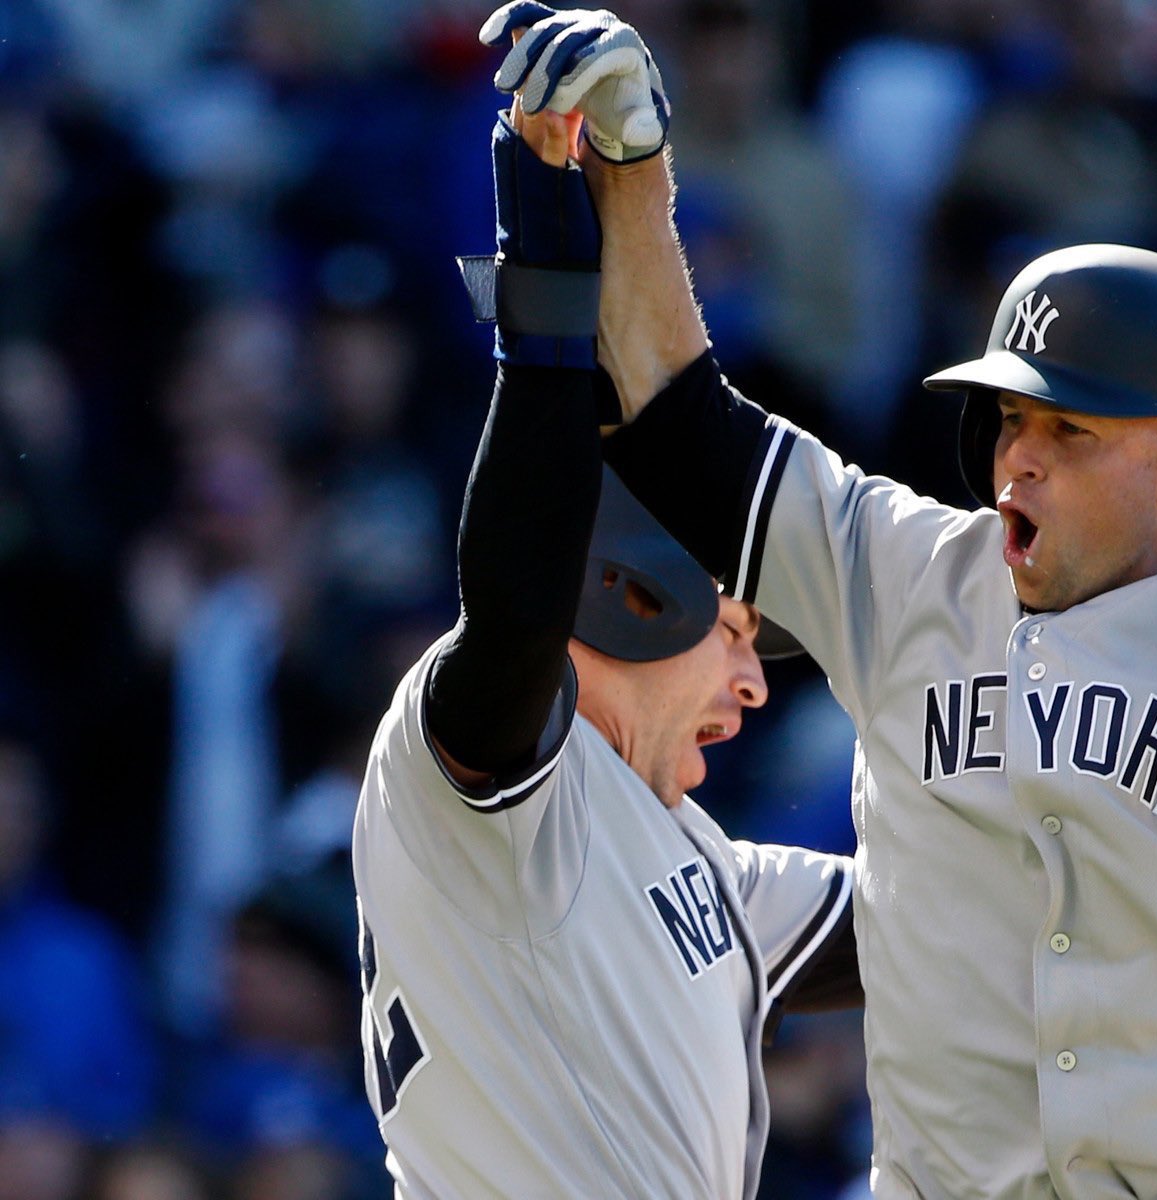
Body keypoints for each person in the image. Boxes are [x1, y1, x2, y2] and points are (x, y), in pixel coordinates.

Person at [484, 6, 1157, 1196]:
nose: (1020, 457)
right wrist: (638, 171)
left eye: (1069, 428)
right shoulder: (911, 570)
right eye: (1010, 417)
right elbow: (675, 423)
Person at [351, 54, 857, 1199]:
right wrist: (546, 319)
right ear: (631, 593)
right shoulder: (490, 787)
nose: (755, 681)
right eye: (735, 630)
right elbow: (519, 602)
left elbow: (920, 922)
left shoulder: (686, 848)